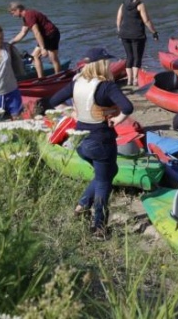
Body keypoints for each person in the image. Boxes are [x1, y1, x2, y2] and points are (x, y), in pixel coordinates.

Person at [47, 49, 134, 239]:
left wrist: (72, 113)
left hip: (80, 141)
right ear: (101, 64)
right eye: (107, 63)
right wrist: (117, 119)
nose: (110, 65)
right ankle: (99, 227)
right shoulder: (106, 86)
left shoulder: (76, 82)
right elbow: (128, 107)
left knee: (109, 171)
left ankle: (82, 206)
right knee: (104, 181)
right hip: (101, 141)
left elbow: (53, 100)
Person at [116, 0, 158, 88]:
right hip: (137, 35)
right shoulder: (140, 5)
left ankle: (129, 80)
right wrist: (154, 32)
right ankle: (135, 79)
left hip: (124, 35)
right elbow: (146, 20)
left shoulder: (123, 4)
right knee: (137, 57)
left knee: (129, 56)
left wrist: (119, 31)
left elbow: (118, 19)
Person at [7, 2, 62, 79]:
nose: (13, 16)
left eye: (13, 13)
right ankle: (42, 78)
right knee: (36, 56)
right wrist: (10, 43)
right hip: (47, 35)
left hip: (51, 34)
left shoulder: (29, 16)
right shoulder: (26, 17)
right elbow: (22, 33)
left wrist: (43, 48)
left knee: (51, 58)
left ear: (18, 10)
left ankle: (57, 77)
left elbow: (37, 32)